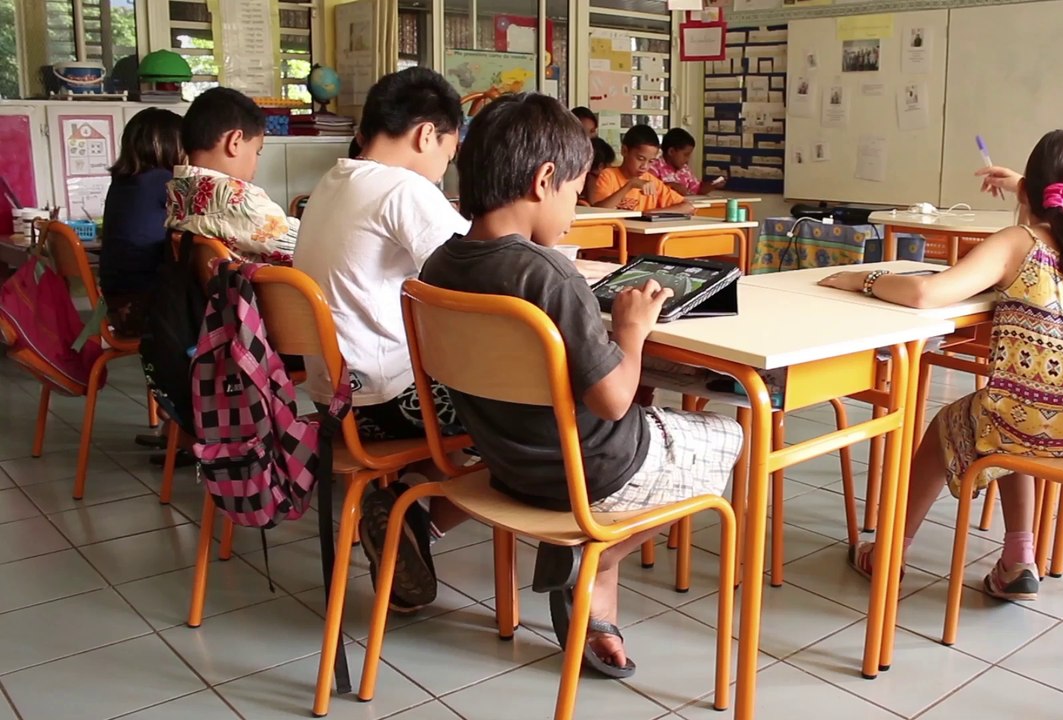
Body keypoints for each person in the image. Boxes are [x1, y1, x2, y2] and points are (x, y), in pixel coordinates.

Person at [419, 93, 742, 676]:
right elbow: (614, 400)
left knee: (633, 414)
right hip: (593, 471)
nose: (574, 206)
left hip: (510, 464)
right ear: (544, 180)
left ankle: (593, 599)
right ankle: (585, 557)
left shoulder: (439, 266)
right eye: (574, 190)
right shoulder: (548, 274)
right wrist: (633, 331)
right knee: (734, 434)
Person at [818, 129, 1063, 602]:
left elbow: (924, 293)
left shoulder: (1016, 242)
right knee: (1018, 411)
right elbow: (1062, 215)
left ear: (1025, 194)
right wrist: (1025, 186)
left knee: (956, 421)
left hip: (1027, 422)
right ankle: (1019, 561)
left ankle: (890, 553)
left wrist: (866, 277)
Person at [292, 68, 473, 613]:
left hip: (335, 404)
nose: (447, 164)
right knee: (537, 414)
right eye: (449, 149)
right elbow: (480, 270)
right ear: (426, 135)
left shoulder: (332, 184)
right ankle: (414, 518)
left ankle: (404, 507)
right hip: (394, 405)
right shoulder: (403, 188)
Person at [165, 87, 298, 265]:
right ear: (234, 142)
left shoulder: (179, 190)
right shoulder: (235, 197)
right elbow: (300, 244)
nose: (256, 164)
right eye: (257, 152)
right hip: (266, 291)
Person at [100, 107, 184, 339]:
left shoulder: (122, 183)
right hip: (145, 308)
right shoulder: (163, 181)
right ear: (168, 145)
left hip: (118, 305)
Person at [592, 125, 694, 214]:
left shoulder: (651, 181)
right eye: (640, 159)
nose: (644, 166)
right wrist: (629, 185)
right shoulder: (608, 176)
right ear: (624, 151)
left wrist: (651, 213)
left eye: (651, 161)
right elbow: (599, 211)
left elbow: (688, 207)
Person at [650, 128, 724, 197]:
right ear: (671, 151)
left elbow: (697, 189)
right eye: (686, 155)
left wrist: (713, 185)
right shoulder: (654, 167)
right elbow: (649, 188)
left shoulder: (684, 169)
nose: (688, 159)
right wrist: (670, 185)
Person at [581, 137, 616, 207]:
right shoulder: (593, 180)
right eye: (609, 165)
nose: (611, 168)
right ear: (601, 166)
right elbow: (594, 204)